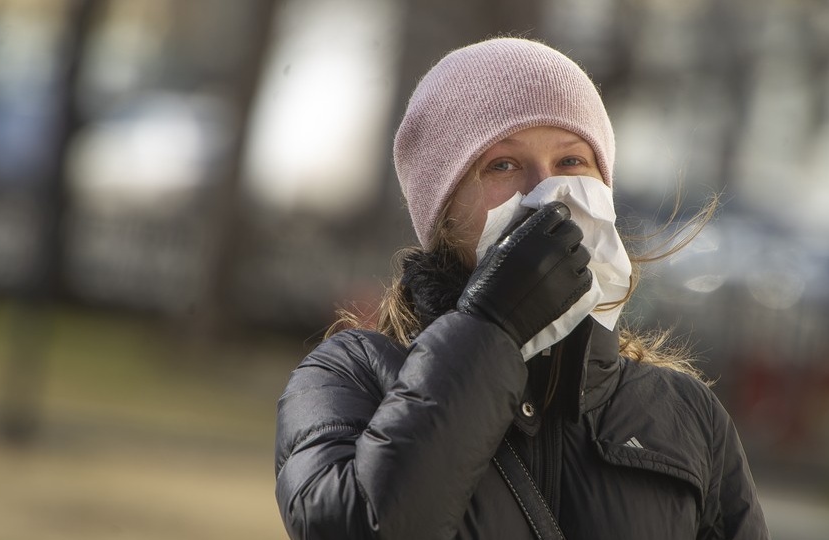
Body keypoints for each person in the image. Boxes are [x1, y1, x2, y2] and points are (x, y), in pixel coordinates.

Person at [274, 37, 769, 540]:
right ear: (443, 212)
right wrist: (493, 327)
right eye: (503, 166)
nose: (546, 193)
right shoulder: (349, 379)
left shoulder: (686, 415)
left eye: (572, 163)